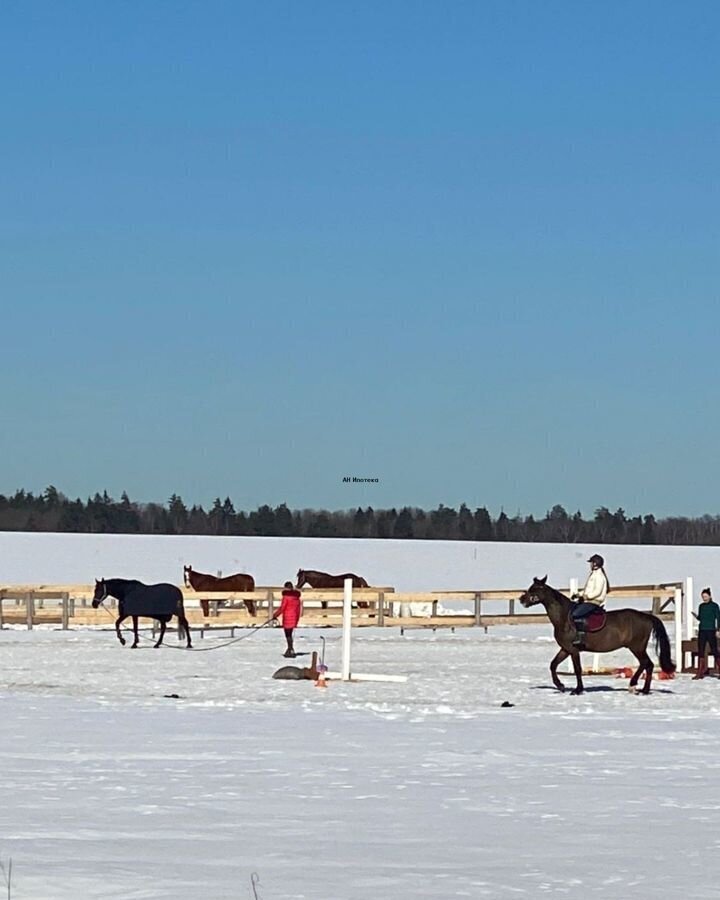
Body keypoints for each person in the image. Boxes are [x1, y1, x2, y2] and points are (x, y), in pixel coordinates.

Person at [571, 554, 609, 647]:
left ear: (595, 564)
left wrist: (586, 597)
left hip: (594, 602)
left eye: (591, 563)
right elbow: (588, 590)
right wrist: (578, 594)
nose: (590, 565)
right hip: (589, 600)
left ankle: (581, 637)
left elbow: (597, 592)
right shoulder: (593, 575)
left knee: (576, 614)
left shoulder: (600, 576)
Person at [691, 588, 720, 679]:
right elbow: (701, 618)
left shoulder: (715, 606)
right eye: (703, 597)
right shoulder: (701, 606)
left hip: (711, 630)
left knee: (714, 650)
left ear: (710, 596)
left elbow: (718, 618)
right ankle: (700, 672)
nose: (704, 598)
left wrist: (718, 630)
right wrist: (696, 616)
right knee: (701, 651)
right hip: (702, 630)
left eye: (706, 596)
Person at [273, 581, 303, 658]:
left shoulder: (286, 597)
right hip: (294, 617)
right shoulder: (297, 598)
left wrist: (275, 615)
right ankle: (290, 648)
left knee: (288, 635)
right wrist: (297, 619)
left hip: (287, 617)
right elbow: (298, 609)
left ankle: (290, 648)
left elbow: (282, 608)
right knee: (290, 634)